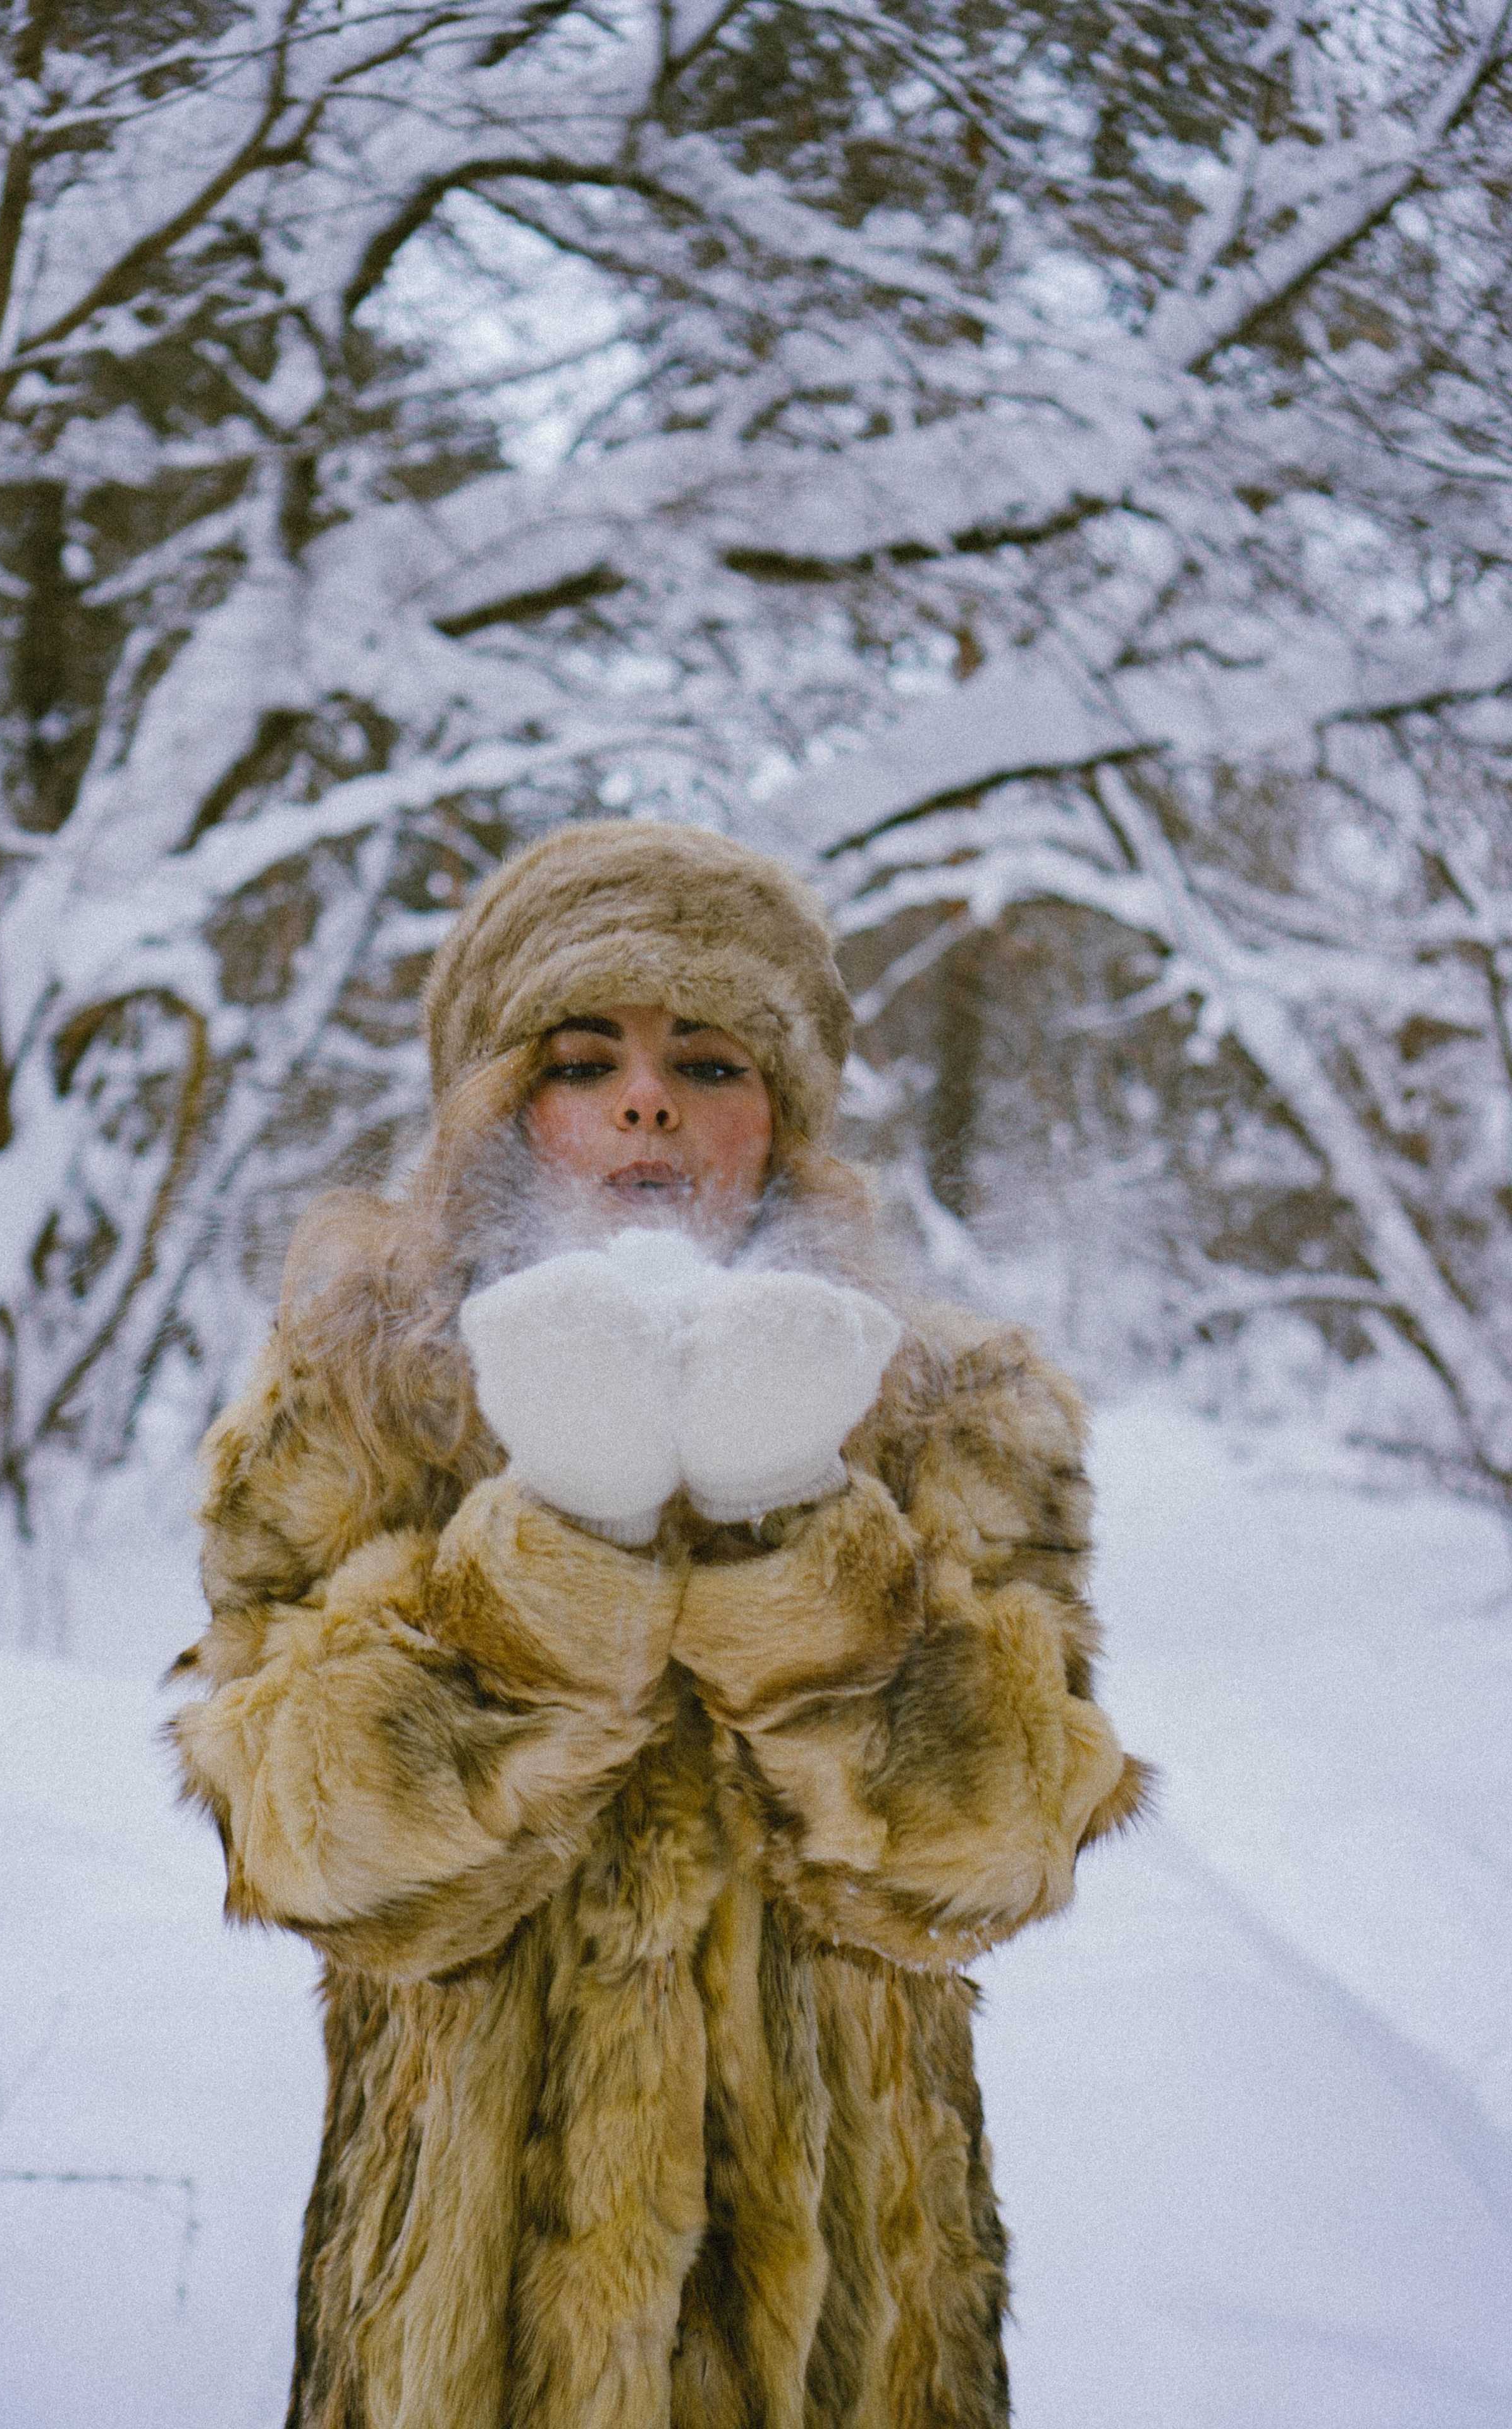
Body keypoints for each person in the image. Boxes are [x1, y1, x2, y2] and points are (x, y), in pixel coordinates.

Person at [169, 819, 1149, 2429]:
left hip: (851, 2332)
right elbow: (320, 1860)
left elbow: (982, 1857)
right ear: (498, 1105)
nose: (646, 1101)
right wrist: (560, 1540)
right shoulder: (350, 1405)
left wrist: (793, 1514)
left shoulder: (953, 1412)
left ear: (783, 1110)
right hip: (463, 2338)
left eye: (706, 1061)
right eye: (583, 1060)